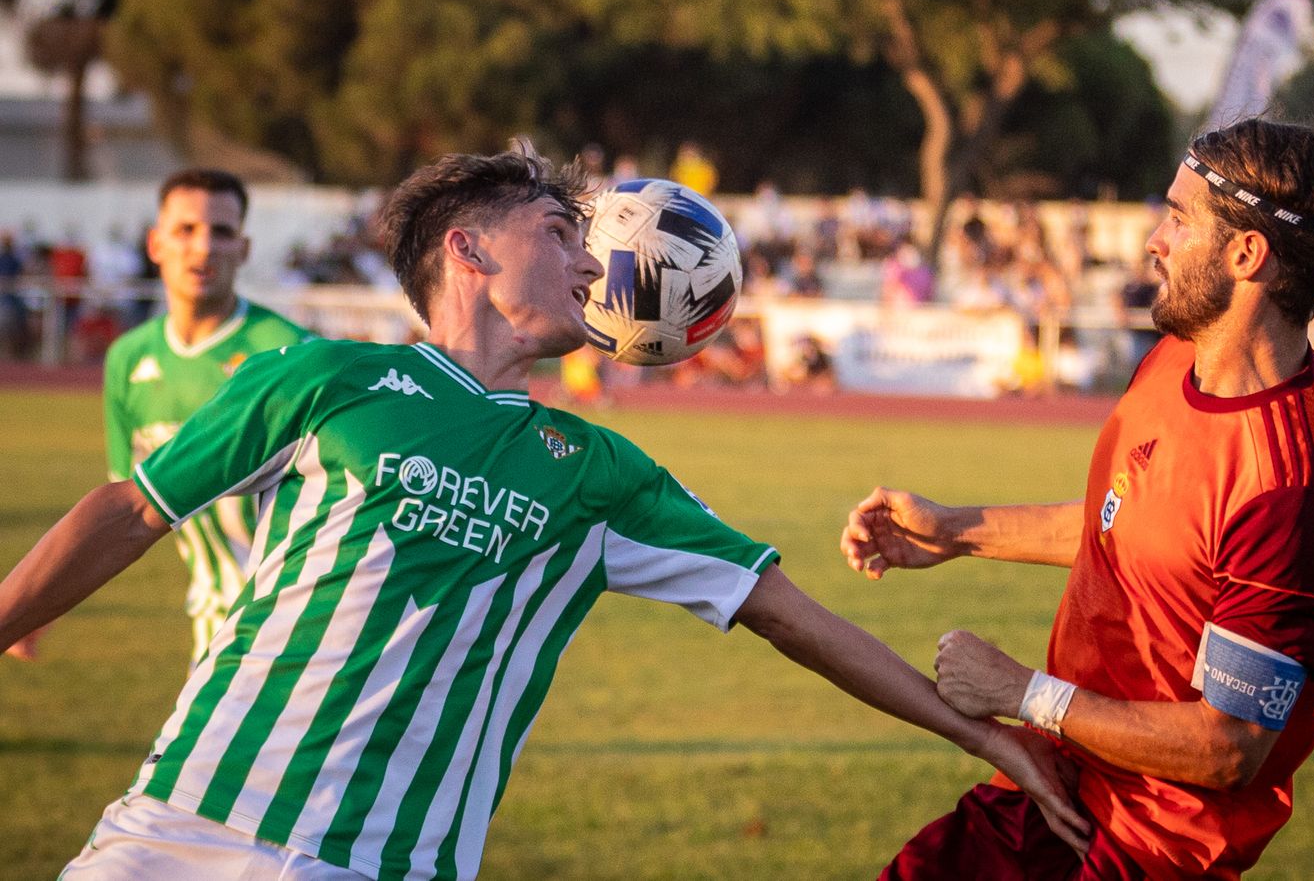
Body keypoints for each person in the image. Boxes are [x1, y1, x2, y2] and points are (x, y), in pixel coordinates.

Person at [0, 142, 1084, 881]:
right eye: (563, 231)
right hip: (175, 830)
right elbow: (132, 509)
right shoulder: (322, 377)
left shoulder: (602, 469)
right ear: (469, 249)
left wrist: (972, 731)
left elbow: (791, 613)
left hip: (388, 861)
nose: (594, 257)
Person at [842, 119, 1314, 879]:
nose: (1154, 240)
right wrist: (953, 530)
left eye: (1178, 218)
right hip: (1054, 790)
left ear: (1247, 253)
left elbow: (1229, 746)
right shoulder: (1179, 357)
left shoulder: (1291, 489)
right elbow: (1131, 524)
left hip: (1145, 848)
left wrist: (1022, 691)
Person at [101, 168, 312, 666]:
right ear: (155, 244)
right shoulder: (128, 359)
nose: (203, 248)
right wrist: (39, 605)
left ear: (244, 248)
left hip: (296, 628)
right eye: (186, 230)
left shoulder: (286, 353)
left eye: (222, 232)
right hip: (213, 626)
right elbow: (120, 511)